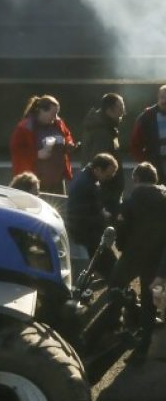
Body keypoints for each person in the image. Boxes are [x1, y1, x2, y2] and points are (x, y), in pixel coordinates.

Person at [109, 162, 166, 360]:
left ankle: (124, 321)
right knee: (150, 299)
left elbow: (121, 231)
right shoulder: (164, 198)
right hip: (157, 257)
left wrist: (123, 248)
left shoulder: (131, 201)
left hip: (133, 255)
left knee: (116, 286)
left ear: (136, 179)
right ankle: (143, 345)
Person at [10, 94, 78, 193]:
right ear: (41, 111)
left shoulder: (58, 123)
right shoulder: (25, 127)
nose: (55, 117)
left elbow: (67, 135)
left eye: (57, 114)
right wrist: (37, 154)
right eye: (52, 114)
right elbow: (17, 151)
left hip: (57, 180)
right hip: (36, 182)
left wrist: (69, 145)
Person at [80, 92, 127, 217]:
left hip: (106, 190)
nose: (123, 113)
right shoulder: (102, 132)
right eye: (121, 109)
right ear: (109, 110)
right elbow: (99, 164)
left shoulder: (105, 128)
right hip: (106, 193)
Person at [65, 153, 118, 261]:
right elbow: (84, 213)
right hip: (87, 234)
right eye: (107, 175)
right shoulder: (87, 185)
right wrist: (103, 216)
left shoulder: (85, 178)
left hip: (85, 232)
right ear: (97, 169)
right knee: (110, 267)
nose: (108, 179)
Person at [130, 84, 166, 183]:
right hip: (154, 164)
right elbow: (135, 143)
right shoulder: (147, 117)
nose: (164, 101)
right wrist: (145, 163)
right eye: (162, 97)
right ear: (158, 97)